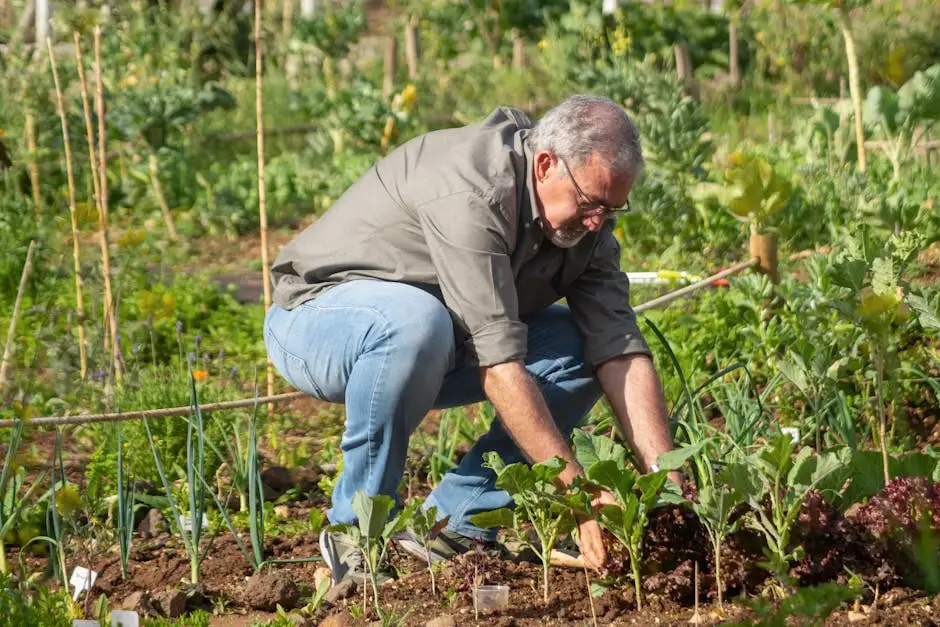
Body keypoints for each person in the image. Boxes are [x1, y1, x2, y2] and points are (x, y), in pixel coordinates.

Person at [264, 94, 679, 584]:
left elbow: (620, 351)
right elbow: (500, 369)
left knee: (578, 347)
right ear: (545, 165)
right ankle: (356, 530)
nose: (596, 222)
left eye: (612, 209)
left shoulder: (587, 229)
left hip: (434, 339)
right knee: (416, 322)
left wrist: (667, 486)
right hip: (319, 321)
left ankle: (454, 525)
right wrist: (578, 495)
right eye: (589, 203)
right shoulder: (473, 190)